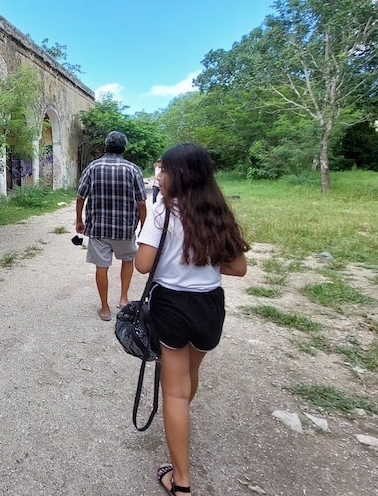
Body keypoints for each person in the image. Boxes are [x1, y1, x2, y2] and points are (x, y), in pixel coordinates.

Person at [135, 143, 249, 495]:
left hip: (172, 304)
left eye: (163, 170)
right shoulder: (217, 211)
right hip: (210, 305)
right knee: (189, 378)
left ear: (177, 174)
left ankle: (181, 482)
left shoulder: (160, 212)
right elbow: (239, 268)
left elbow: (142, 264)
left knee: (174, 391)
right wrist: (204, 261)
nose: (160, 175)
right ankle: (179, 420)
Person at [76, 131, 147, 322]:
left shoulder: (93, 167)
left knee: (102, 266)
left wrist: (79, 220)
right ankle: (123, 299)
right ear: (124, 148)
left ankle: (105, 309)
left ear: (105, 147)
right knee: (127, 260)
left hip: (98, 228)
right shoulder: (133, 169)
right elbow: (141, 202)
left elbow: (81, 197)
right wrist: (143, 227)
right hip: (125, 228)